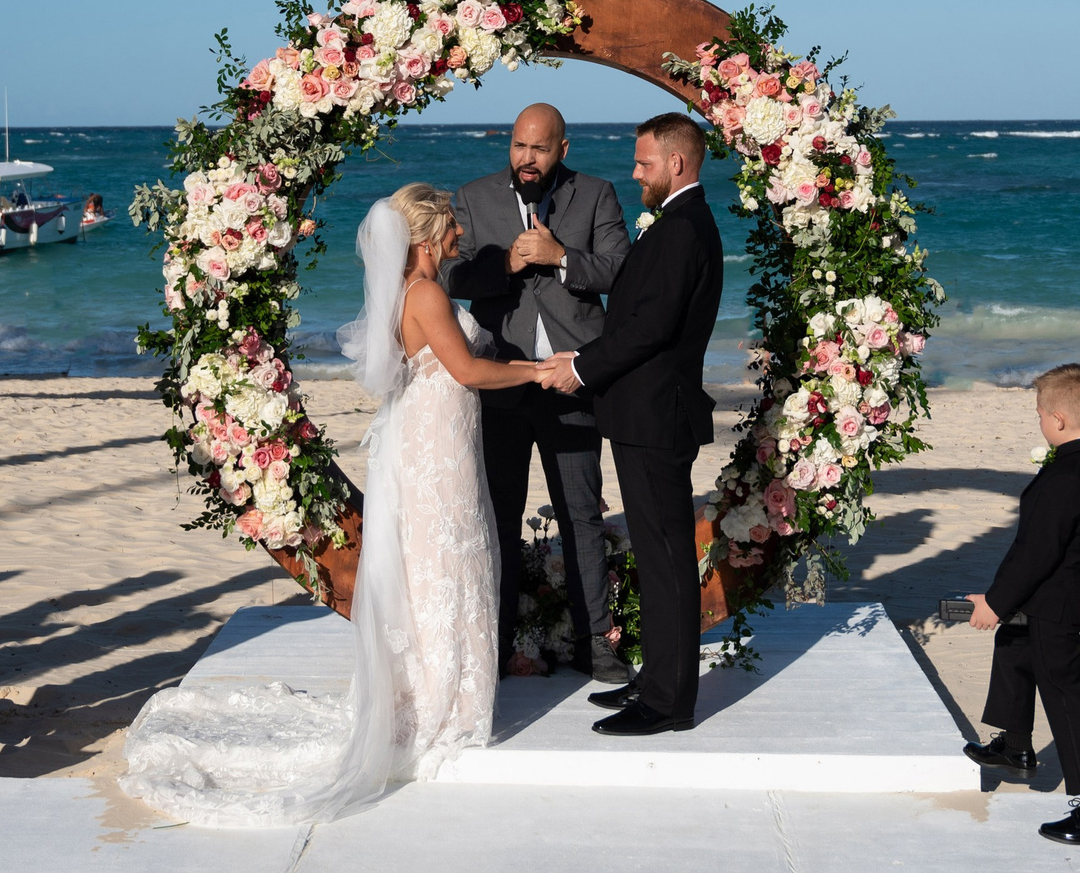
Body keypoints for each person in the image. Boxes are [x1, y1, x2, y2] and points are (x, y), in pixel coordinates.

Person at [120, 183, 540, 825]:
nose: (460, 235)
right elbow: (469, 373)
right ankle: (442, 706)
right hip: (435, 448)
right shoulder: (426, 294)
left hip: (431, 440)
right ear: (427, 235)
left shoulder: (412, 293)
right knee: (445, 564)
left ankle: (434, 697)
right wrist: (540, 370)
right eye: (452, 226)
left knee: (434, 565)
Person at [542, 111, 724, 737]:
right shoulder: (677, 224)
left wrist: (583, 369)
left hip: (656, 416)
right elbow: (639, 317)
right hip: (644, 413)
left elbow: (653, 329)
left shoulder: (682, 230)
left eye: (644, 162)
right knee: (655, 554)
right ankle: (655, 680)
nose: (635, 172)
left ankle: (670, 703)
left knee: (669, 559)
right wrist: (582, 357)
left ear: (677, 162)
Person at [442, 103, 631, 681]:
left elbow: (623, 271)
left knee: (581, 515)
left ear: (562, 150)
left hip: (573, 381)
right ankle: (492, 646)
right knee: (497, 517)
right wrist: (509, 263)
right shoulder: (473, 197)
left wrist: (562, 258)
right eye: (519, 147)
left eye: (540, 149)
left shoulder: (596, 194)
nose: (527, 159)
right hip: (500, 380)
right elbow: (450, 277)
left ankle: (595, 644)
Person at [962, 363, 1080, 846]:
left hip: (1056, 600)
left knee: (1067, 697)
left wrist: (995, 602)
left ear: (1056, 419)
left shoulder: (1067, 476)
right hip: (1051, 591)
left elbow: (1038, 550)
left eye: (1038, 414)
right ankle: (1015, 747)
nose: (1038, 423)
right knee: (1014, 647)